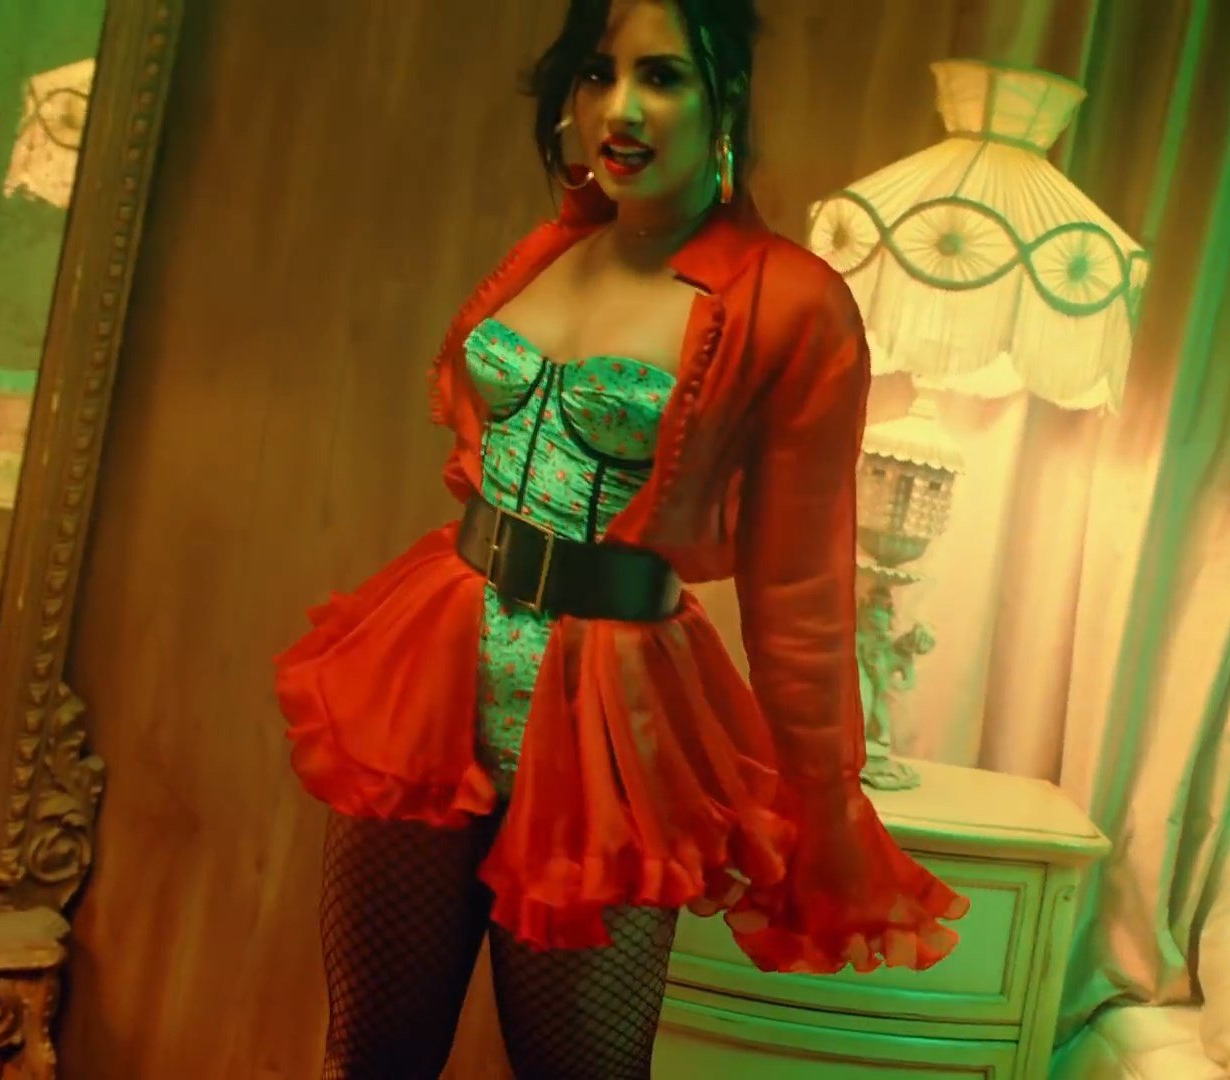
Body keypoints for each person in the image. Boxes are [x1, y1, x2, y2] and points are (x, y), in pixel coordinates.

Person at [273, 1, 968, 1076]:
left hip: (606, 721)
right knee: (370, 1056)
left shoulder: (792, 303)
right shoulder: (553, 247)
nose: (620, 109)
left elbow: (802, 593)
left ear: (726, 98)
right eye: (598, 74)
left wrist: (825, 802)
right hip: (435, 677)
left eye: (663, 76)